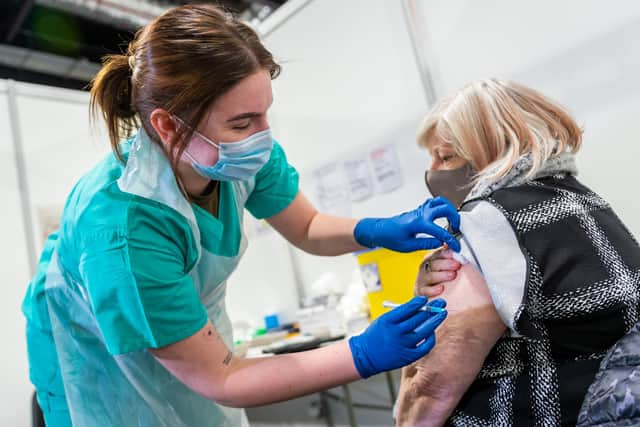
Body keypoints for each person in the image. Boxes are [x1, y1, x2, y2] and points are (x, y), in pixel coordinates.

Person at [21, 4, 461, 427]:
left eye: (264, 113)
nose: (262, 136)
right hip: (95, 361)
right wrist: (362, 353)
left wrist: (377, 230)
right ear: (168, 126)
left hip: (200, 350)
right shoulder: (123, 228)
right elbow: (221, 377)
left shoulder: (232, 152)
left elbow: (306, 227)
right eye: (243, 123)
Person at [394, 79, 640, 426]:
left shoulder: (486, 224)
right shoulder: (586, 200)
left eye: (446, 156)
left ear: (489, 149)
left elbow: (433, 385)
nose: (433, 172)